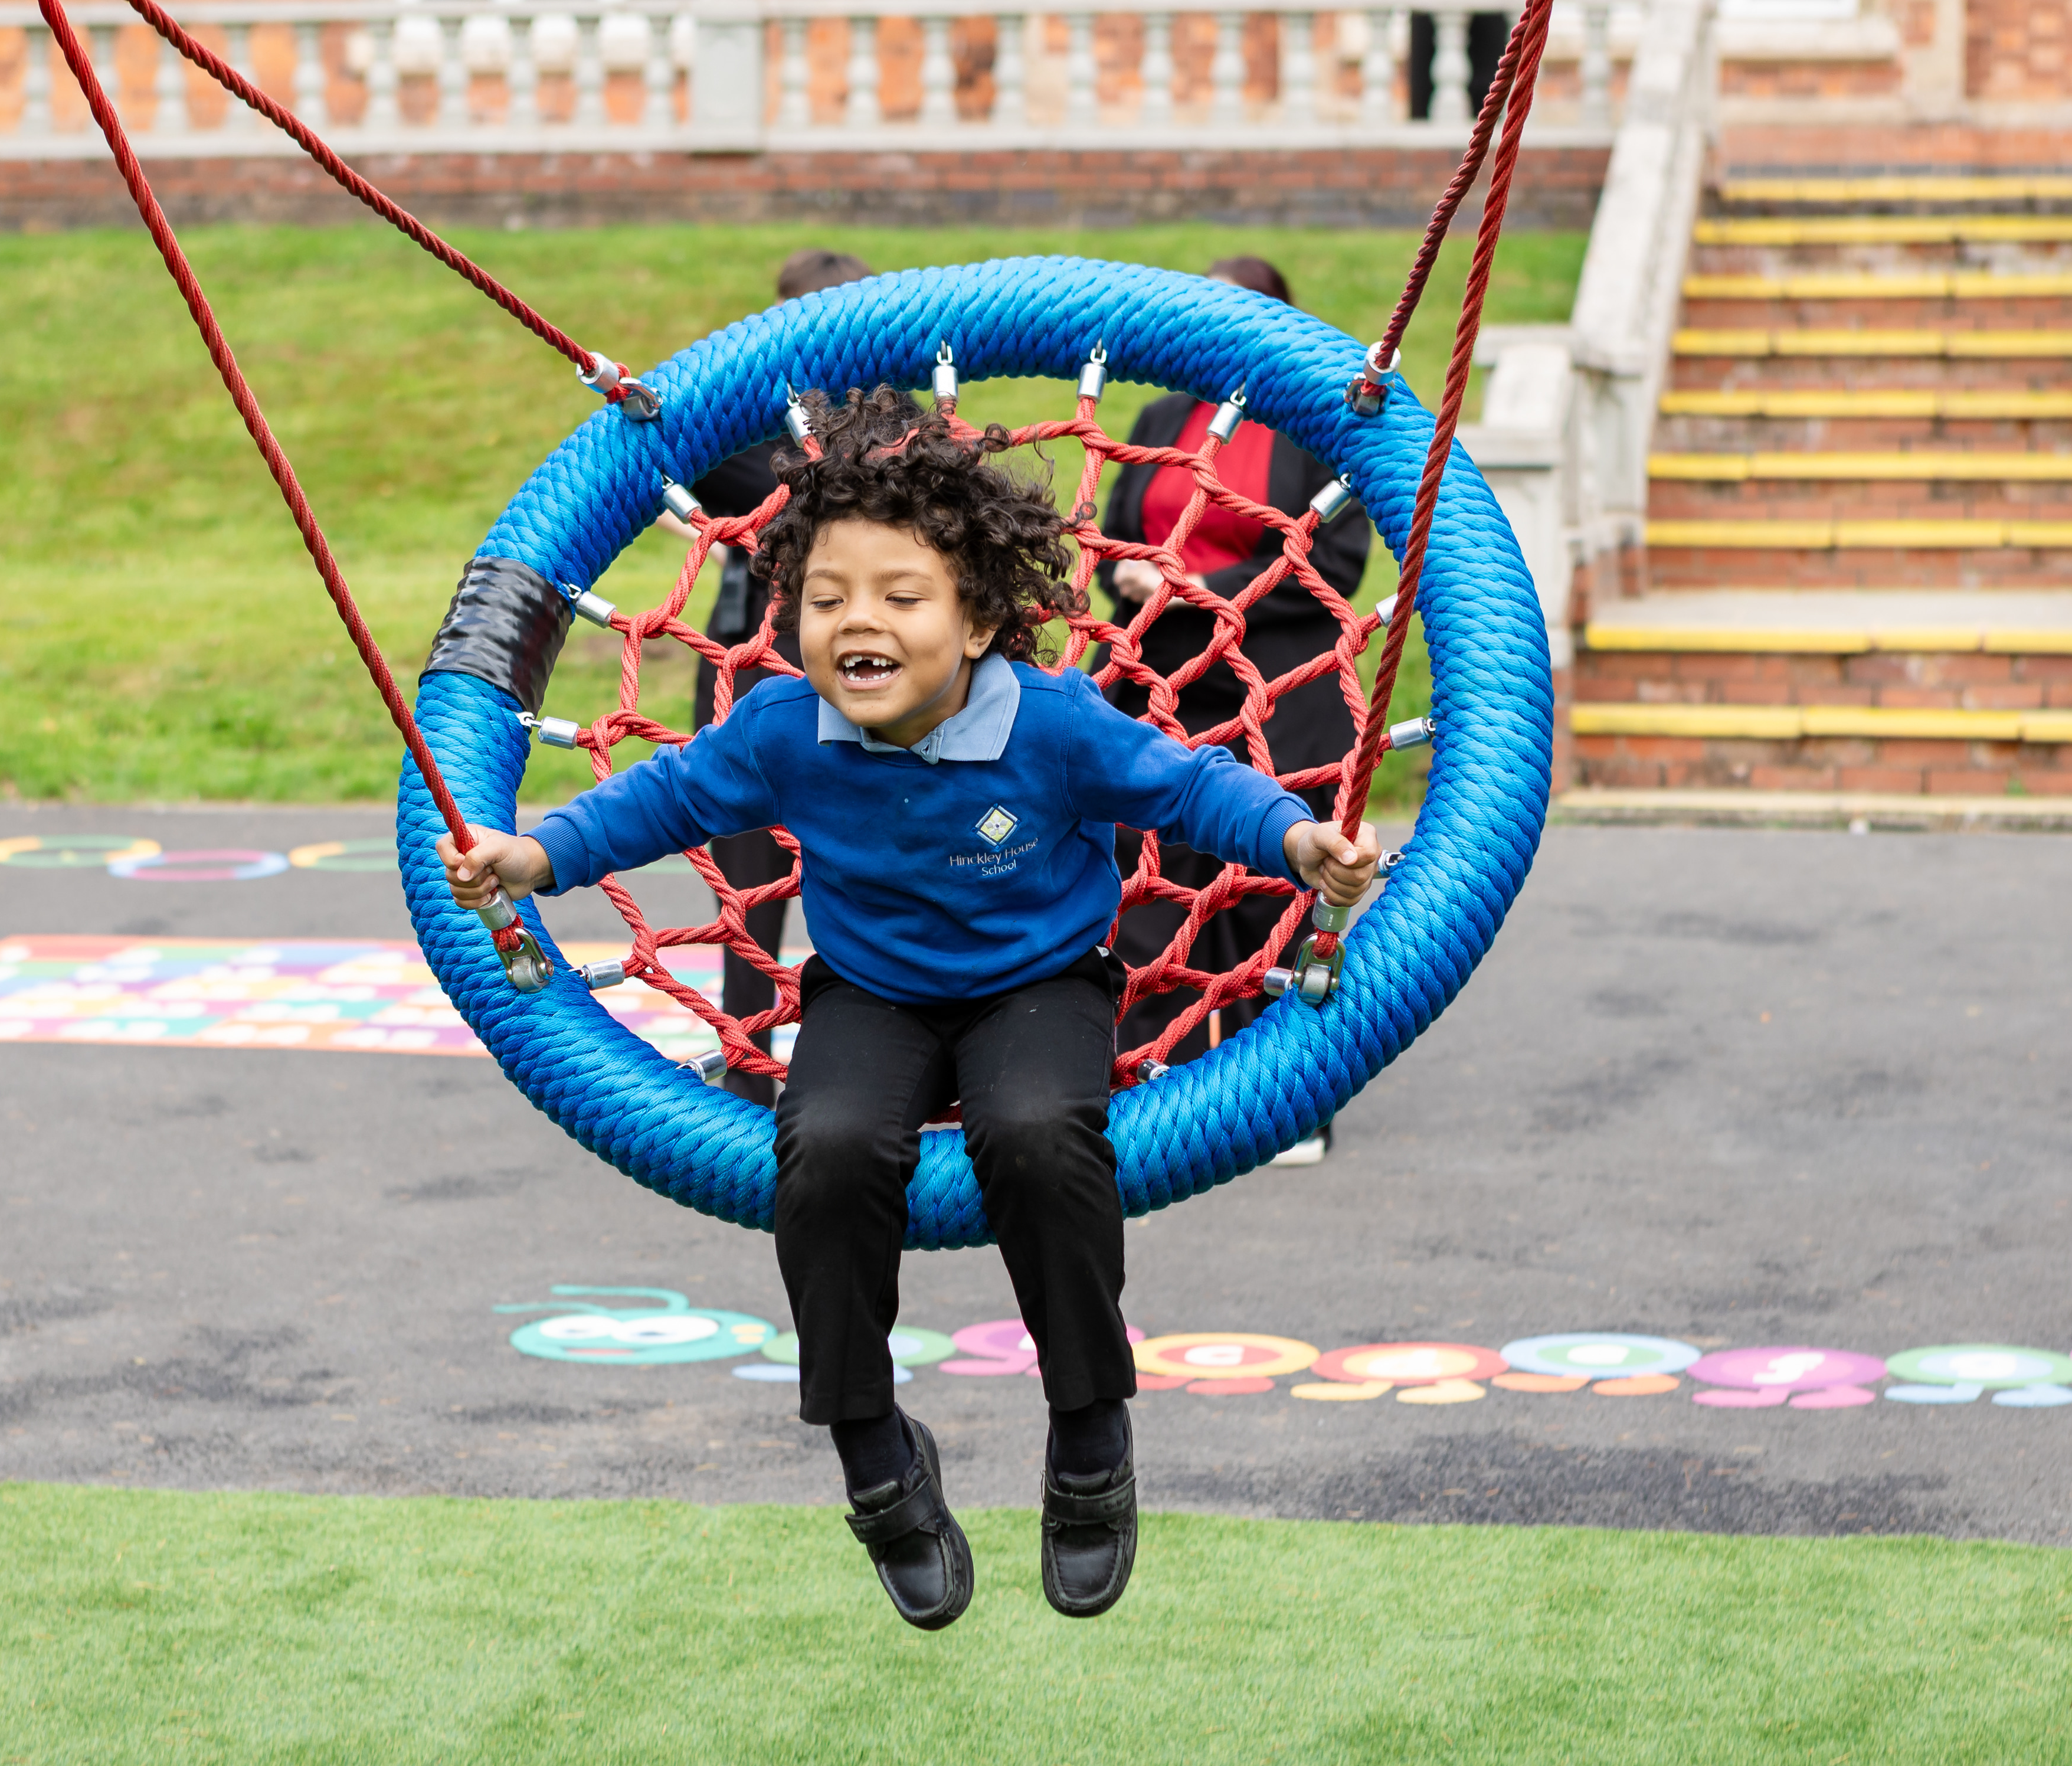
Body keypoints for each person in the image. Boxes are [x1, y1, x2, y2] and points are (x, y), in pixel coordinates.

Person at [441, 387, 1381, 1630]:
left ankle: (1090, 1431)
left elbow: (1189, 785)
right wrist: (537, 856)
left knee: (1041, 1133)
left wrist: (1293, 834)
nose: (855, 623)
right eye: (826, 599)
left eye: (899, 596)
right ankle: (876, 1453)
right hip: (872, 989)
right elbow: (659, 799)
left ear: (981, 616)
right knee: (822, 1149)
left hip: (1038, 982)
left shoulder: (1047, 721)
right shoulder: (785, 725)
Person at [1095, 254, 1374, 1166]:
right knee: (1148, 871)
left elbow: (1332, 565)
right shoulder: (1157, 418)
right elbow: (1117, 535)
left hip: (1277, 678)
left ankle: (1288, 1100)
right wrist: (1135, 576)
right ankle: (1159, 1073)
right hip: (1166, 675)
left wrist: (1201, 584)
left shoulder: (1313, 428)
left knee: (1272, 885)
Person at [658, 248, 876, 1107]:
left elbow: (837, 501)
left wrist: (739, 518)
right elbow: (656, 458)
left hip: (856, 670)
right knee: (746, 868)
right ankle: (749, 1062)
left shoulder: (888, 428)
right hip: (747, 664)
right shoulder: (745, 420)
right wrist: (712, 518)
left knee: (855, 857)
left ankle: (855, 1052)